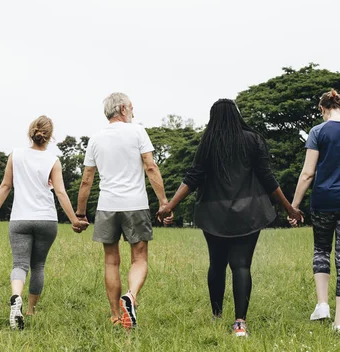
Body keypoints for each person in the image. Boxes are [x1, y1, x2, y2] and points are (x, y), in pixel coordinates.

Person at [157, 99, 303, 337]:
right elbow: (268, 178)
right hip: (249, 213)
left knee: (216, 264)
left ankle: (216, 316)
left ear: (213, 117)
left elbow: (193, 177)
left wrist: (169, 205)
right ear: (237, 115)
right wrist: (289, 208)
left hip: (213, 215)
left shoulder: (208, 142)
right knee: (242, 265)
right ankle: (240, 323)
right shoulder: (252, 140)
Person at [0, 116, 90, 330]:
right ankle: (30, 310)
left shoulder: (16, 155)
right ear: (50, 136)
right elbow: (60, 191)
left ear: (31, 131)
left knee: (19, 264)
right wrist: (74, 220)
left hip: (20, 218)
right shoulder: (53, 160)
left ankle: (15, 297)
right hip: (46, 220)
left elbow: (5, 186)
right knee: (38, 265)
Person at [76, 92, 171, 329]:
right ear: (121, 108)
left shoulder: (95, 139)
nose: (133, 111)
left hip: (107, 206)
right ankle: (131, 296)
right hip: (135, 204)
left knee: (111, 262)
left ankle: (116, 315)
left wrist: (80, 213)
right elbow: (150, 166)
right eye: (131, 107)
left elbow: (87, 179)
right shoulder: (137, 131)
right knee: (139, 259)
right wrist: (163, 202)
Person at [290, 89, 340, 330]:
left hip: (323, 201)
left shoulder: (318, 132)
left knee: (321, 249)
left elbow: (308, 172)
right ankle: (339, 322)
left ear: (322, 109)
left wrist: (294, 206)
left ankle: (322, 305)